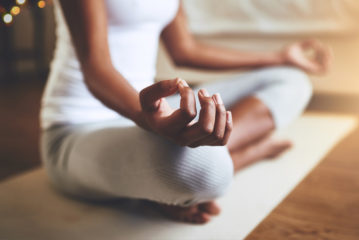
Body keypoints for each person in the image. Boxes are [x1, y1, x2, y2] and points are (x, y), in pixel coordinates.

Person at [40, 0, 331, 224]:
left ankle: (177, 177)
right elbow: (96, 67)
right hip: (77, 130)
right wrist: (146, 118)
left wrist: (279, 57)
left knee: (290, 79)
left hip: (151, 114)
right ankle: (244, 153)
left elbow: (185, 49)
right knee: (207, 170)